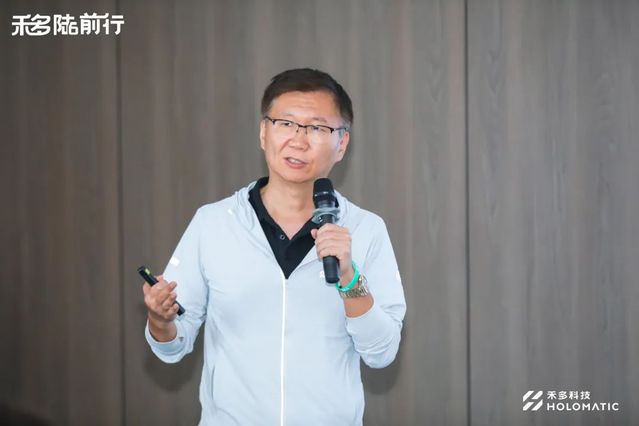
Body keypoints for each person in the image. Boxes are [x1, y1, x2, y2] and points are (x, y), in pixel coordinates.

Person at [142, 68, 406, 426]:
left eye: (317, 128)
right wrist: (160, 320)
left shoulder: (365, 229)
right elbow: (173, 346)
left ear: (342, 144)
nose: (298, 140)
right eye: (286, 123)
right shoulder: (214, 223)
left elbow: (381, 352)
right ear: (263, 133)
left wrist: (349, 278)